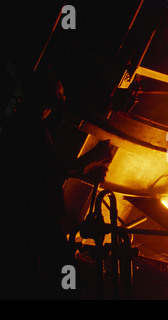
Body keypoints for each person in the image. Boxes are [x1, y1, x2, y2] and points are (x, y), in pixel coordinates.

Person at [0, 67, 113, 299]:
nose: (53, 107)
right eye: (53, 99)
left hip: (30, 216)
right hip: (30, 217)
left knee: (41, 277)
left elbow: (46, 169)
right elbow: (49, 171)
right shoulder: (27, 127)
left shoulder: (27, 123)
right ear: (46, 98)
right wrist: (91, 160)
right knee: (61, 280)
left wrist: (88, 169)